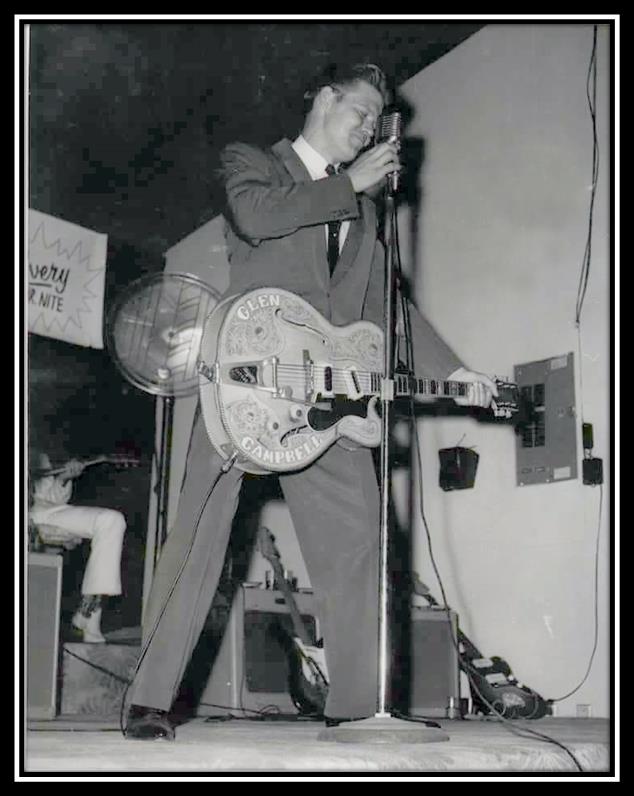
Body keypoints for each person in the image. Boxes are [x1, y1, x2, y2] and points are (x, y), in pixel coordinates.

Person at [124, 62, 497, 740]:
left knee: (360, 538)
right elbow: (254, 215)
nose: (368, 130)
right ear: (325, 98)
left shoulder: (366, 207)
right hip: (242, 383)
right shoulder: (256, 164)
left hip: (328, 400)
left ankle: (358, 703)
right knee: (199, 537)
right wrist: (349, 185)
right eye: (361, 112)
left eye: (375, 122)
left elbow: (392, 311)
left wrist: (461, 371)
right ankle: (149, 699)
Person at [29, 453, 127, 643]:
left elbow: (51, 498)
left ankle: (88, 615)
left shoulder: (35, 453)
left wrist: (64, 478)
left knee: (111, 521)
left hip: (43, 511)